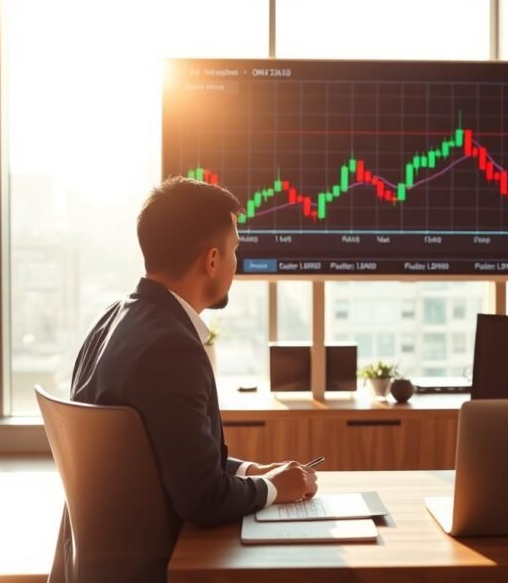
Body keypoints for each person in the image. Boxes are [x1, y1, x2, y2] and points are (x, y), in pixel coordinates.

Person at [50, 177, 318, 582]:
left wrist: (250, 471)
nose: (235, 264)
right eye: (234, 252)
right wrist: (277, 488)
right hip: (162, 565)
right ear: (212, 260)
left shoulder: (113, 320)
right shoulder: (172, 350)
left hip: (103, 563)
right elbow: (202, 499)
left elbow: (156, 455)